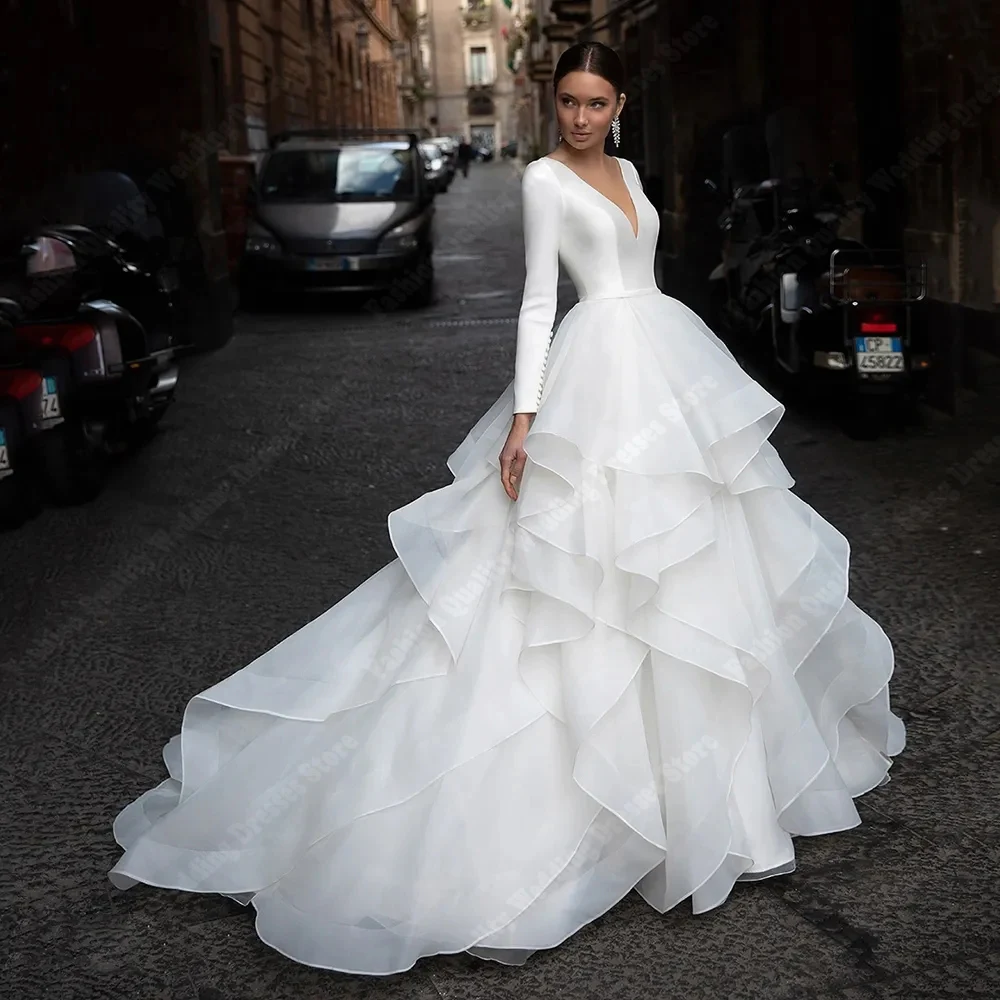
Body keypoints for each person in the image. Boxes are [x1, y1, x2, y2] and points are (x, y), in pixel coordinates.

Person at [108, 42, 905, 975]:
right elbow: (536, 301)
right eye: (567, 101)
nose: (579, 117)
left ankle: (713, 802)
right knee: (575, 574)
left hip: (663, 367)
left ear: (619, 106)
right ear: (552, 103)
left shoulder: (635, 172)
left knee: (701, 560)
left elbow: (645, 273)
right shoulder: (539, 182)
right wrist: (526, 419)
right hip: (593, 377)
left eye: (596, 102)